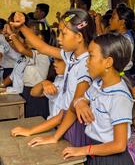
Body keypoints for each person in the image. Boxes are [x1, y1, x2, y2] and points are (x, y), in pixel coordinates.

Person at [60, 34, 134, 165]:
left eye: (91, 56)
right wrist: (80, 104)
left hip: (113, 164)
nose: (87, 61)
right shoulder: (98, 85)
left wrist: (83, 150)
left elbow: (119, 144)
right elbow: (81, 99)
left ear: (107, 62)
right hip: (97, 157)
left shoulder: (119, 96)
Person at [10, 9, 96, 148]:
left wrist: (51, 136)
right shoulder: (72, 56)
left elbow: (72, 109)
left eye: (63, 33)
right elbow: (43, 47)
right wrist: (22, 27)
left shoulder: (86, 66)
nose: (59, 38)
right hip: (64, 123)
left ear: (79, 36)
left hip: (75, 127)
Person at [5, 20, 51, 118]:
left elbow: (21, 49)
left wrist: (11, 34)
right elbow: (18, 48)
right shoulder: (34, 53)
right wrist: (10, 37)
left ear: (39, 38)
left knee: (37, 119)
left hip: (37, 95)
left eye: (29, 36)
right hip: (27, 91)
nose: (26, 39)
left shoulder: (42, 55)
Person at [109, 3, 135, 72]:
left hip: (122, 74)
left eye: (113, 17)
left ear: (122, 22)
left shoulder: (125, 40)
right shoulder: (122, 36)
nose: (110, 20)